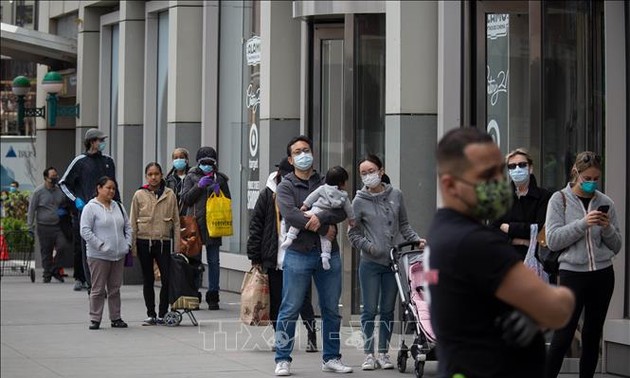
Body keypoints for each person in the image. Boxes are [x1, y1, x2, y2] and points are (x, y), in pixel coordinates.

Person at [427, 127, 575, 378]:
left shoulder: (442, 230)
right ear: (450, 185)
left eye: (499, 170)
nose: (498, 181)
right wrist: (543, 308)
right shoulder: (476, 243)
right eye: (486, 175)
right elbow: (557, 309)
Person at [273, 135, 352, 376]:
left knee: (330, 308)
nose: (303, 155)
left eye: (306, 150)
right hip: (298, 254)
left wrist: (324, 218)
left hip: (328, 254)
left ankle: (331, 357)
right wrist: (322, 226)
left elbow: (342, 209)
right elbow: (290, 215)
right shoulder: (285, 185)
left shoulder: (326, 180)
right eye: (297, 152)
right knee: (290, 307)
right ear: (290, 158)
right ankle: (282, 358)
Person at [544, 151, 622, 378]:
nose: (592, 183)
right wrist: (583, 223)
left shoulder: (605, 202)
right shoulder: (559, 200)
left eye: (596, 178)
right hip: (572, 275)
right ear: (576, 173)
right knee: (563, 334)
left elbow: (617, 245)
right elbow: (553, 239)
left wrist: (606, 228)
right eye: (587, 178)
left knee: (592, 333)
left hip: (602, 274)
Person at [347, 154, 425, 371]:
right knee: (370, 309)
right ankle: (369, 354)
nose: (368, 176)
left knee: (388, 309)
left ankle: (383, 353)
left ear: (381, 171)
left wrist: (416, 240)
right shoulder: (359, 201)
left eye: (371, 171)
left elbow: (404, 226)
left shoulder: (396, 195)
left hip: (393, 263)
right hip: (370, 263)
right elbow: (352, 234)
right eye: (363, 173)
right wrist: (370, 247)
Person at [247, 157, 318, 353]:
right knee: (277, 300)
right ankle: (281, 338)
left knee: (301, 299)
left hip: (297, 254)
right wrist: (255, 255)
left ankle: (312, 333)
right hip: (274, 255)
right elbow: (256, 225)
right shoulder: (267, 194)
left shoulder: (301, 193)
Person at [60, 128, 119, 291]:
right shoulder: (80, 161)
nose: (103, 143)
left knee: (106, 246)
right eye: (100, 140)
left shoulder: (108, 161)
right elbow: (64, 183)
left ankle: (102, 283)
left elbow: (114, 186)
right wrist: (76, 200)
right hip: (86, 211)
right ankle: (87, 281)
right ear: (92, 142)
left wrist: (119, 207)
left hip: (107, 211)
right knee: (86, 247)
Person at [130, 162, 181, 325]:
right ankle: (151, 313)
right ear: (146, 176)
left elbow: (177, 222)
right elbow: (132, 222)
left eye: (156, 174)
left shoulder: (170, 194)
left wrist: (177, 244)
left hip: (163, 241)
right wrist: (133, 246)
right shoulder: (139, 194)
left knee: (166, 278)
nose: (153, 177)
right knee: (148, 278)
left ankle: (162, 313)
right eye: (150, 174)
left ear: (161, 175)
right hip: (144, 241)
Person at [180, 146, 230, 310]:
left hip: (214, 224)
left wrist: (218, 189)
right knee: (194, 261)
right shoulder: (191, 177)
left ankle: (213, 295)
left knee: (214, 261)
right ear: (198, 162)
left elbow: (227, 200)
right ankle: (193, 294)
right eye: (204, 162)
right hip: (195, 224)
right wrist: (199, 186)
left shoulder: (220, 178)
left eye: (210, 162)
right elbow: (186, 199)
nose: (207, 165)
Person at [80, 176, 131, 330]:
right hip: (98, 256)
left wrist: (126, 244)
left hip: (118, 255)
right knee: (98, 288)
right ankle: (95, 318)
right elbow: (85, 230)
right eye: (108, 188)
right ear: (99, 188)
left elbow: (128, 227)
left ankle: (116, 317)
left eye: (113, 189)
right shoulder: (91, 207)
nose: (111, 191)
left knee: (115, 288)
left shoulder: (119, 207)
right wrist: (100, 245)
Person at [281, 165, 354, 270]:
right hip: (304, 246)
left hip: (314, 210)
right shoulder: (343, 196)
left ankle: (290, 237)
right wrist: (351, 220)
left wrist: (305, 205)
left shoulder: (322, 187)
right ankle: (325, 256)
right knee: (326, 238)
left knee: (301, 219)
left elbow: (312, 197)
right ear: (342, 183)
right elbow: (348, 210)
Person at [492, 148, 552, 261]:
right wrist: (521, 241)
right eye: (512, 166)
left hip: (535, 261)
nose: (517, 169)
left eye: (522, 164)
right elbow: (493, 230)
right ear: (509, 171)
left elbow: (542, 230)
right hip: (506, 259)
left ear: (530, 168)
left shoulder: (544, 196)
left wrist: (509, 228)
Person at [26, 167, 71, 283]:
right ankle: (47, 275)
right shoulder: (38, 192)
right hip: (43, 226)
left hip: (58, 226)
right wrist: (29, 225)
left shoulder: (59, 191)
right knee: (46, 251)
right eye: (52, 177)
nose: (55, 178)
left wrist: (65, 211)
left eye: (56, 176)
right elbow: (32, 209)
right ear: (46, 178)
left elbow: (65, 204)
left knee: (63, 246)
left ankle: (54, 269)